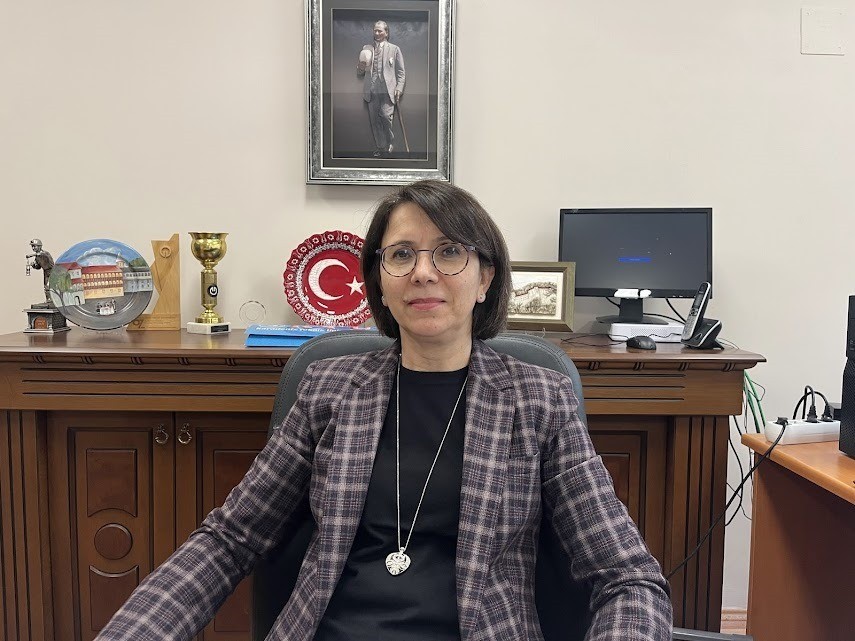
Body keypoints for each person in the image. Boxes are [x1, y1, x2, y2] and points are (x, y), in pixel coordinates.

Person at [95, 180, 672, 640]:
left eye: (449, 251)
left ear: (485, 278)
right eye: (401, 254)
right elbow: (229, 540)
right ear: (379, 280)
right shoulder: (329, 389)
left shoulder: (538, 399)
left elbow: (629, 578)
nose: (423, 271)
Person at [357, 20, 405, 157]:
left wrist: (399, 88)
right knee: (374, 121)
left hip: (388, 91)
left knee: (385, 116)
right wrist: (361, 67)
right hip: (371, 90)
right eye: (375, 30)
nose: (377, 33)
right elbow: (360, 72)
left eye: (380, 31)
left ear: (386, 33)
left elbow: (401, 72)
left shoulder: (394, 49)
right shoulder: (367, 49)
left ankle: (390, 141)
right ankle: (380, 146)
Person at [26, 238, 55, 305]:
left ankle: (54, 300)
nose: (33, 248)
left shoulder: (45, 253)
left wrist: (31, 255)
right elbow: (38, 267)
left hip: (52, 271)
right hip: (46, 272)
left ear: (39, 246)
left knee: (51, 286)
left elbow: (41, 254)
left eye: (34, 246)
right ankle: (49, 300)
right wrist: (34, 265)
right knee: (46, 286)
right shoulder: (37, 257)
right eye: (32, 246)